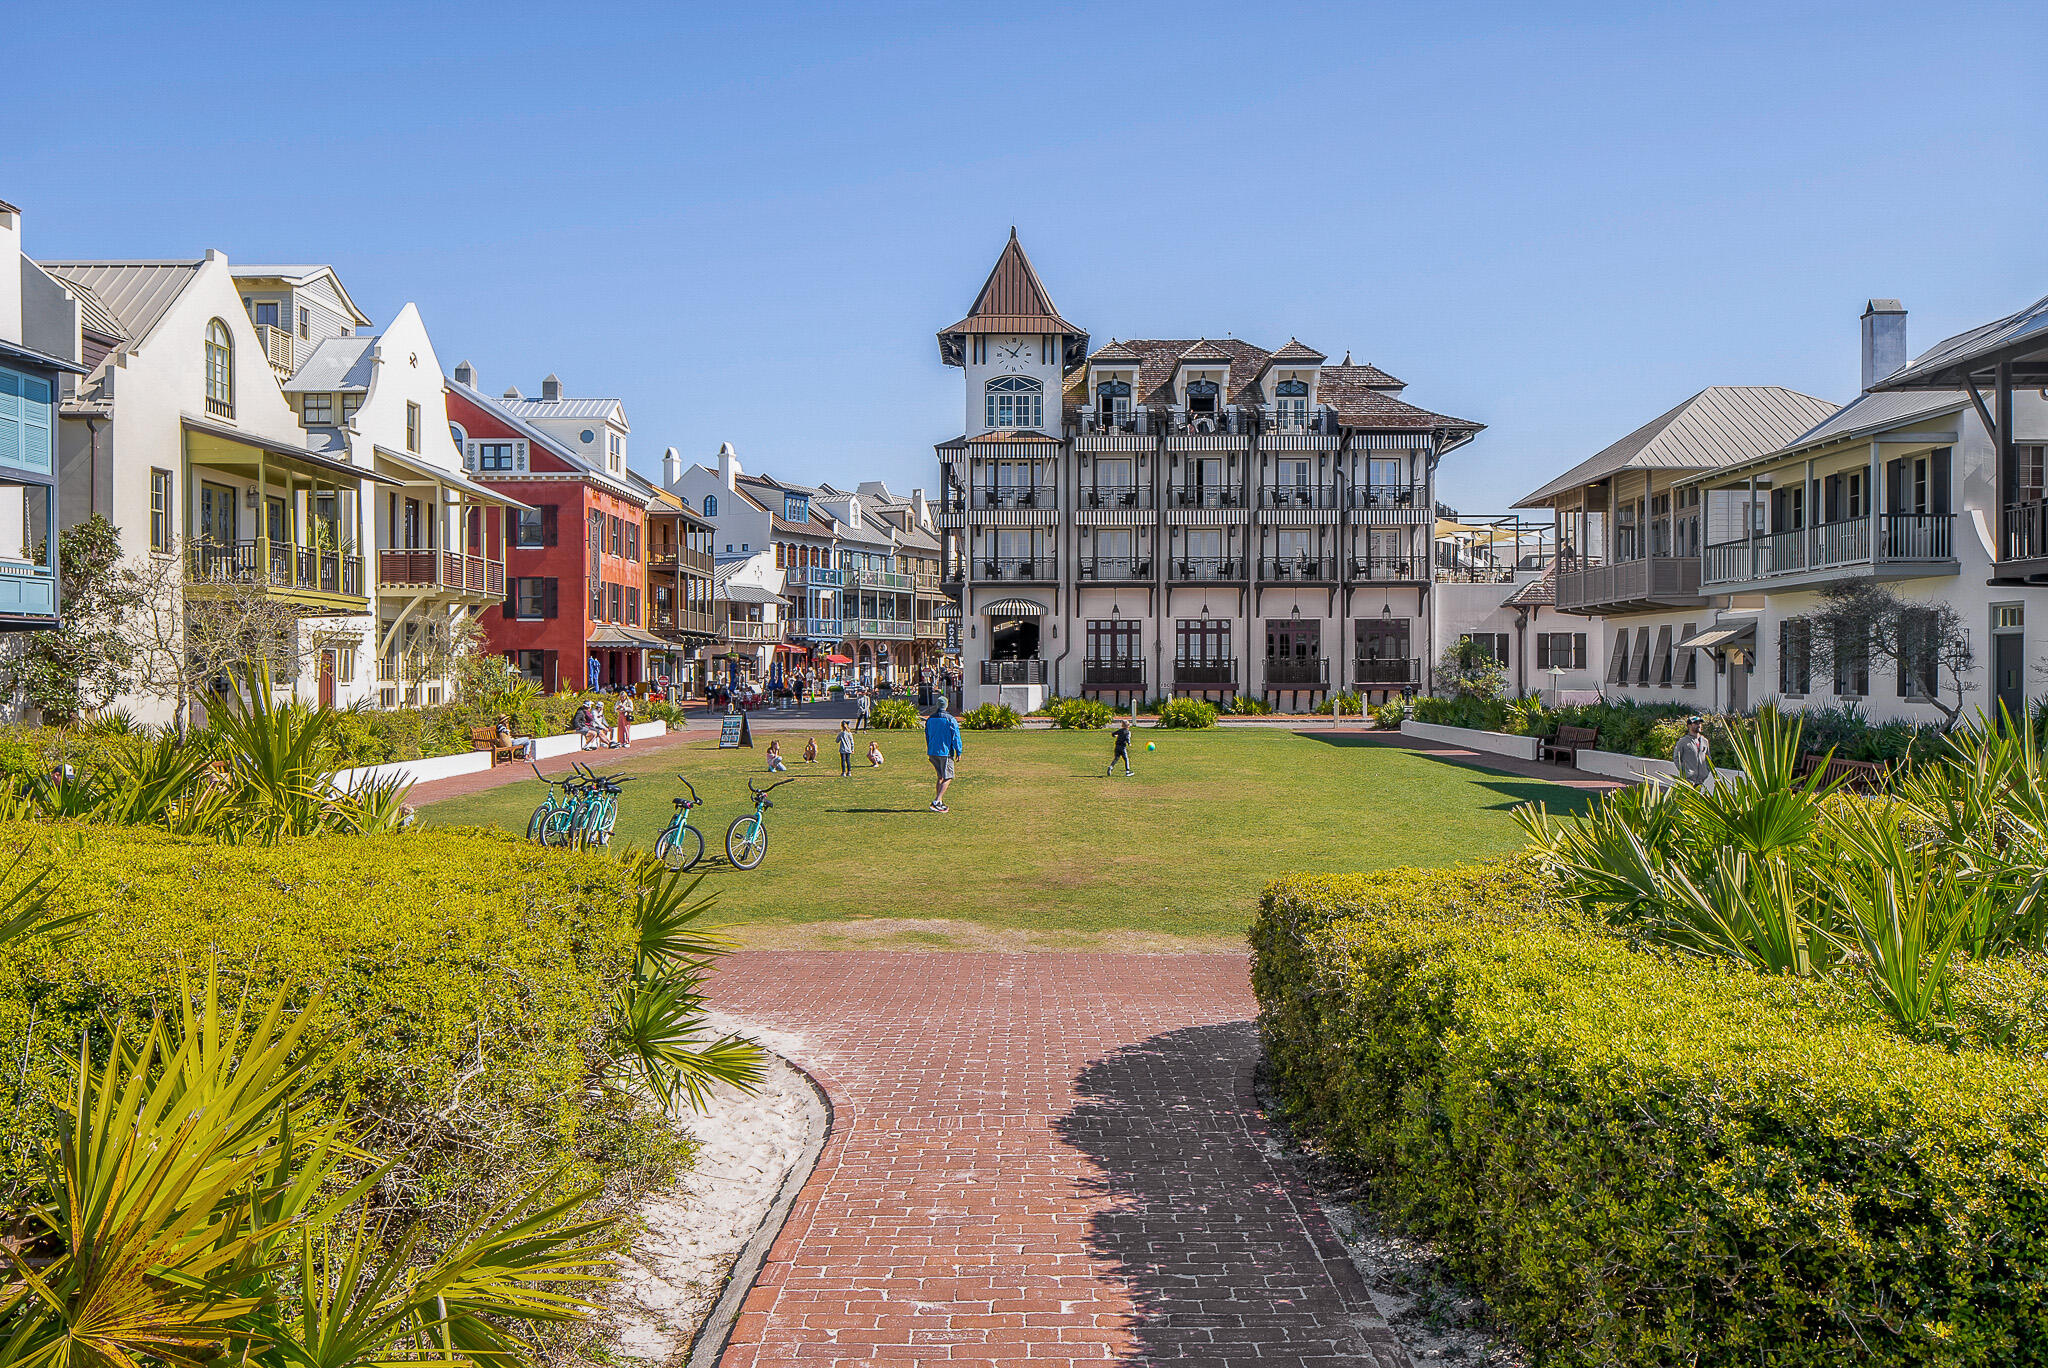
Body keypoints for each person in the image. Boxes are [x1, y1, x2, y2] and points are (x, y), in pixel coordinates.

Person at [924, 701, 962, 813]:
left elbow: (927, 735)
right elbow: (956, 736)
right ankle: (936, 801)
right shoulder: (950, 719)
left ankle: (939, 801)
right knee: (948, 777)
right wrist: (958, 752)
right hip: (945, 752)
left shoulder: (930, 719)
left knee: (940, 776)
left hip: (932, 751)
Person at [1673, 714, 1712, 787]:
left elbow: (1708, 758)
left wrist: (1706, 772)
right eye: (1696, 723)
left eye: (1700, 723)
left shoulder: (1704, 741)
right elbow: (1676, 758)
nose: (1699, 725)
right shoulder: (1683, 742)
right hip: (1688, 781)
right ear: (1689, 726)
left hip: (1701, 781)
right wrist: (1685, 773)